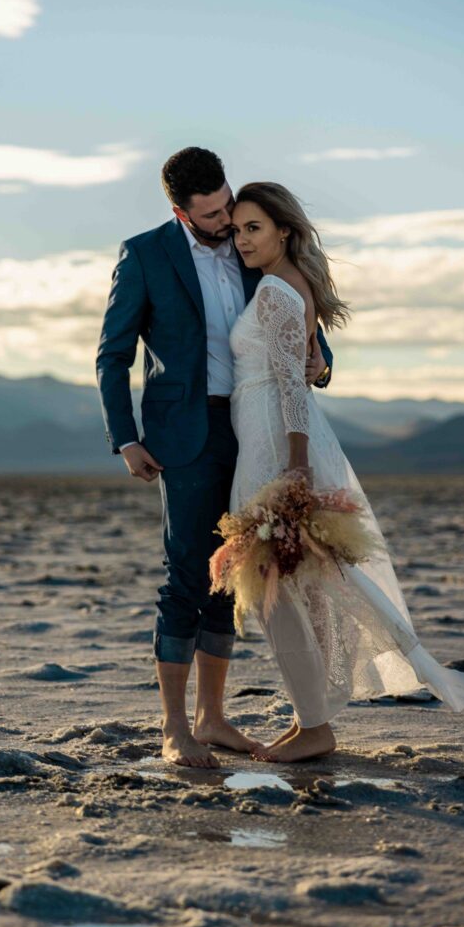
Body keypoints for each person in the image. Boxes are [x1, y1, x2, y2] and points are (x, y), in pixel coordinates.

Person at [228, 181, 464, 762]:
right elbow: (305, 369)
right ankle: (312, 719)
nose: (243, 238)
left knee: (282, 587)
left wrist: (294, 466)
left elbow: (293, 387)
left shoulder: (275, 291)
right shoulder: (285, 285)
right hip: (270, 438)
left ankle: (316, 722)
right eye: (238, 228)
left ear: (284, 232)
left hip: (277, 445)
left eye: (254, 228)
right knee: (304, 585)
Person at [96, 149, 334, 768]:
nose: (226, 220)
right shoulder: (145, 254)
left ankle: (214, 717)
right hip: (186, 431)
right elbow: (113, 354)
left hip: (257, 429)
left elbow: (297, 312)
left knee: (235, 575)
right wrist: (125, 438)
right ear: (180, 211)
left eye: (228, 204)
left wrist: (321, 359)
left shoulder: (252, 239)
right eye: (210, 214)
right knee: (185, 576)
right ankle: (175, 727)